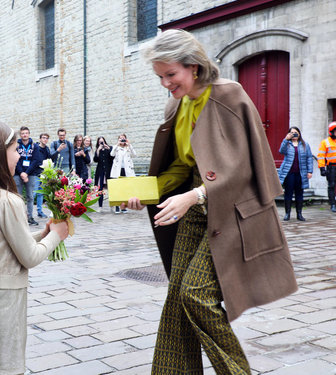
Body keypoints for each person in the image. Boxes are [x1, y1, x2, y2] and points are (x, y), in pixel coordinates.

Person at [125, 29, 297, 374]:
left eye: (170, 75)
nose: (165, 84)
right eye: (160, 76)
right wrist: (148, 192)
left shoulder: (229, 95)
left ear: (194, 66)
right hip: (195, 210)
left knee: (196, 295)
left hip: (232, 213)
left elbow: (248, 166)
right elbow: (181, 165)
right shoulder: (177, 103)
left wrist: (195, 195)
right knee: (177, 296)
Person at [0, 121, 69, 375]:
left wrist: (43, 233)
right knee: (7, 369)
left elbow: (1, 242)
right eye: (13, 149)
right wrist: (57, 236)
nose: (19, 154)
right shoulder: (8, 201)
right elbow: (30, 256)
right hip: (4, 302)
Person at [278, 127, 313, 221]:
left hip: (301, 173)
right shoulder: (287, 144)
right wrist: (286, 139)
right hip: (289, 173)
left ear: (299, 134)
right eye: (292, 133)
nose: (294, 134)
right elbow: (281, 151)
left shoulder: (305, 145)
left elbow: (309, 158)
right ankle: (287, 214)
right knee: (288, 193)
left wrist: (310, 171)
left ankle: (299, 214)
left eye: (295, 132)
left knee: (299, 193)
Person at [14, 126, 39, 226]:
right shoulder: (16, 145)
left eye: (26, 133)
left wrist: (27, 173)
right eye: (23, 133)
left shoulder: (34, 146)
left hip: (31, 174)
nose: (25, 135)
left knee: (30, 196)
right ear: (20, 135)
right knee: (18, 197)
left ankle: (30, 217)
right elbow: (16, 160)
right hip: (17, 173)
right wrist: (21, 173)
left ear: (29, 134)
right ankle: (19, 218)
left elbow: (36, 161)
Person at [110, 133, 136, 213]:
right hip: (118, 170)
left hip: (127, 170)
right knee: (118, 188)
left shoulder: (128, 147)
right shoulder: (116, 147)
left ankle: (124, 207)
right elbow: (111, 154)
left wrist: (130, 145)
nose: (122, 140)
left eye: (123, 139)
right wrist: (117, 145)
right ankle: (117, 206)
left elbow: (134, 155)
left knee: (125, 189)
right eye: (120, 139)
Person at [317, 121, 336, 212]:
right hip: (331, 167)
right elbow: (321, 155)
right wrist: (322, 168)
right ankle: (332, 204)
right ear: (332, 132)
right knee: (331, 185)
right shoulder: (325, 142)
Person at [93, 136, 113, 212]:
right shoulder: (98, 150)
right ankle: (100, 206)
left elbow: (112, 157)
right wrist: (98, 150)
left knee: (111, 189)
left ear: (105, 141)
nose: (101, 143)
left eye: (102, 141)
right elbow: (95, 159)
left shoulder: (109, 148)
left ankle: (112, 205)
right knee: (100, 189)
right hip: (100, 171)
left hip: (108, 171)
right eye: (100, 142)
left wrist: (108, 149)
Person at [34, 133, 51, 218]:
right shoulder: (36, 148)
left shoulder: (47, 149)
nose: (45, 140)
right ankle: (27, 213)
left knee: (41, 194)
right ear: (40, 139)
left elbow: (49, 160)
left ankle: (39, 211)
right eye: (43, 138)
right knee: (33, 193)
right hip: (36, 174)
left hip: (43, 175)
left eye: (46, 138)